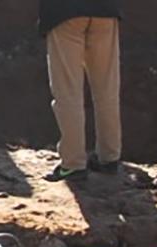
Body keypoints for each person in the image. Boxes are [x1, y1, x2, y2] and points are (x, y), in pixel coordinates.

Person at [38, 0, 121, 182]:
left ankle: (73, 164)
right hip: (106, 10)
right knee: (107, 88)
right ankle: (109, 157)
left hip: (63, 12)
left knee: (68, 91)